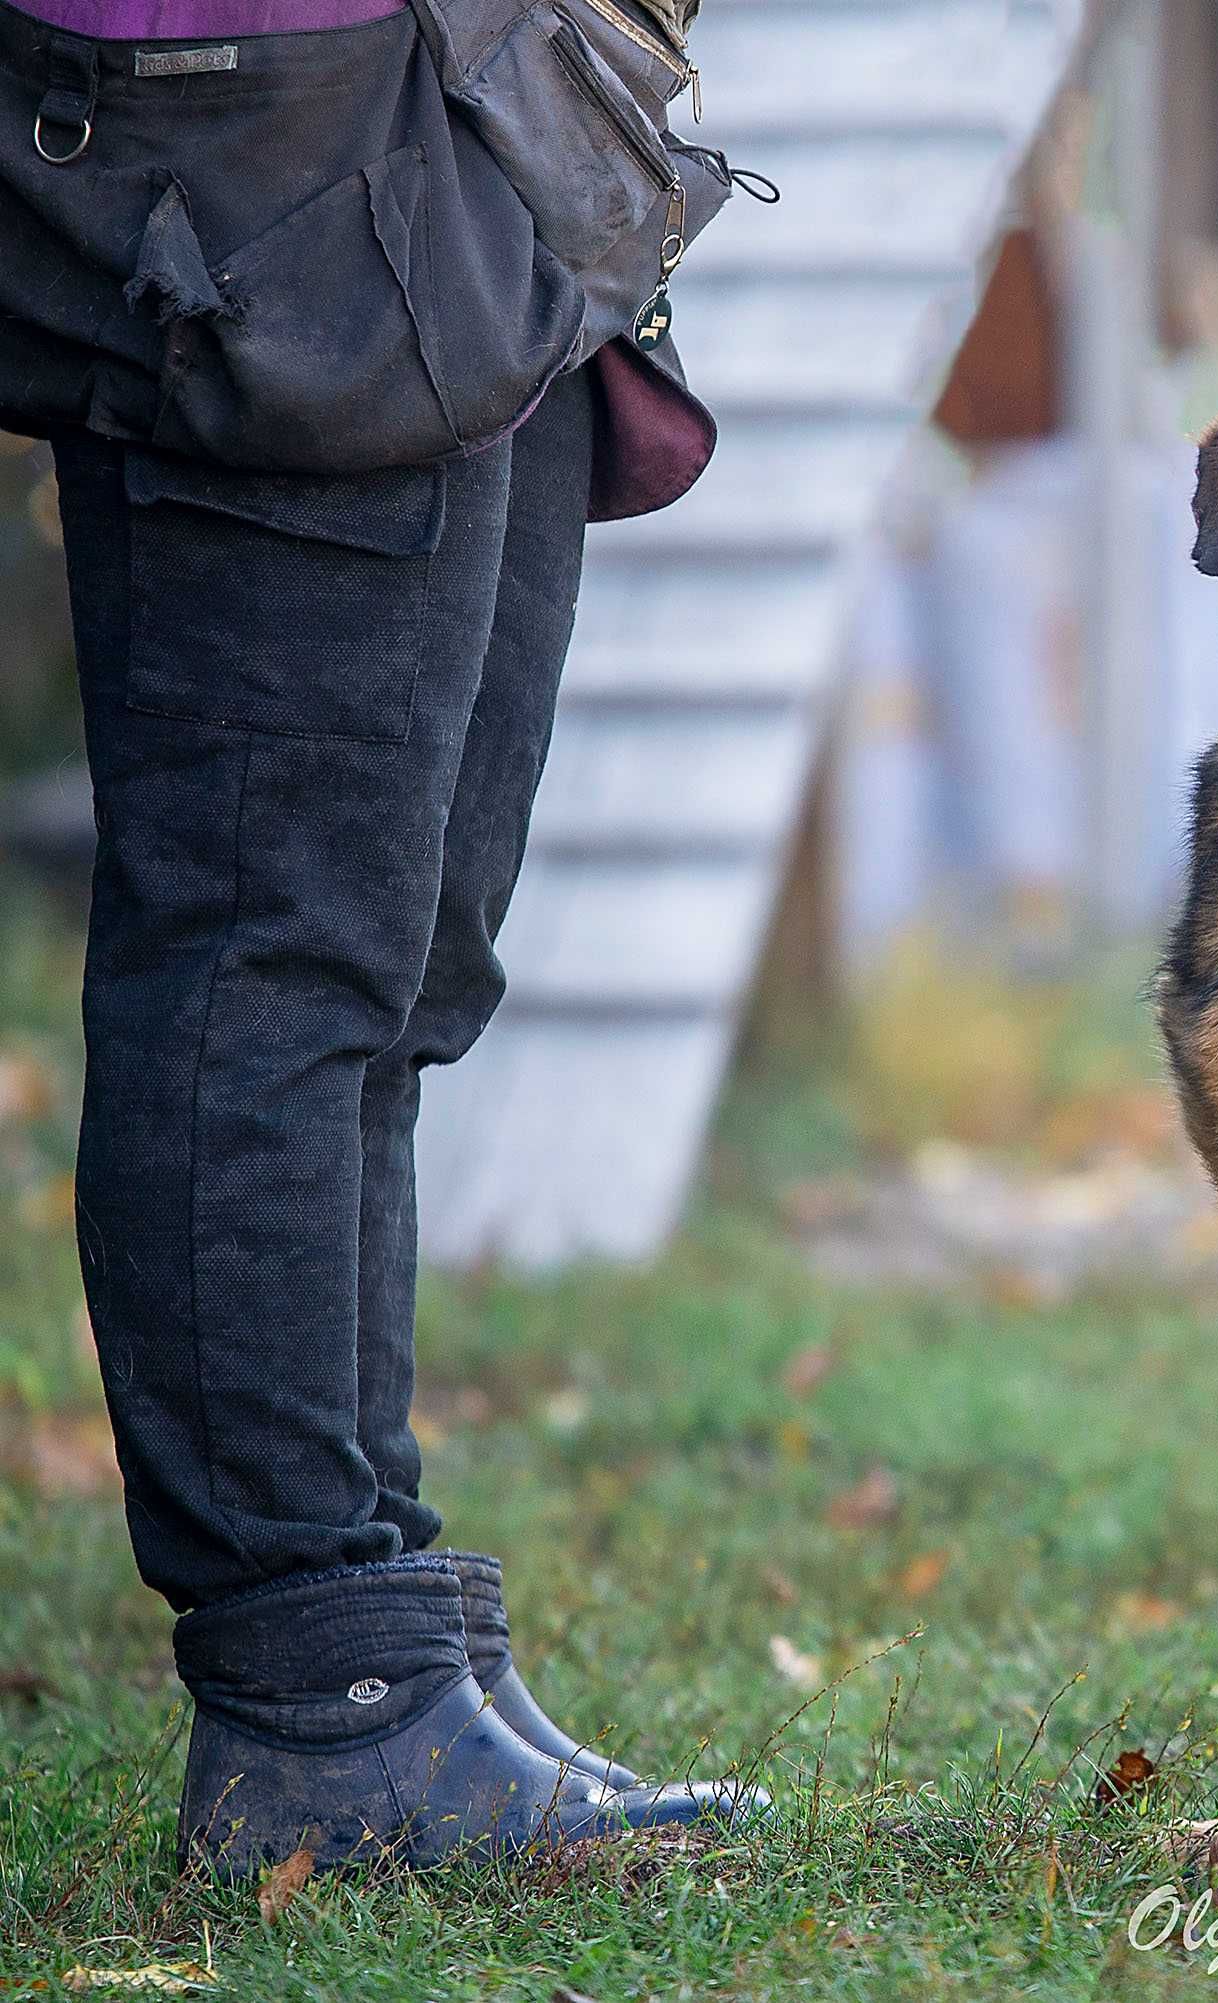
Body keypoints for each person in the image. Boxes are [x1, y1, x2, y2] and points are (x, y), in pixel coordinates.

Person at [0, 0, 762, 1877]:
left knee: (401, 969)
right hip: (252, 122)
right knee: (271, 959)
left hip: (480, 103)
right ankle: (311, 1694)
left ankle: (385, 1634)